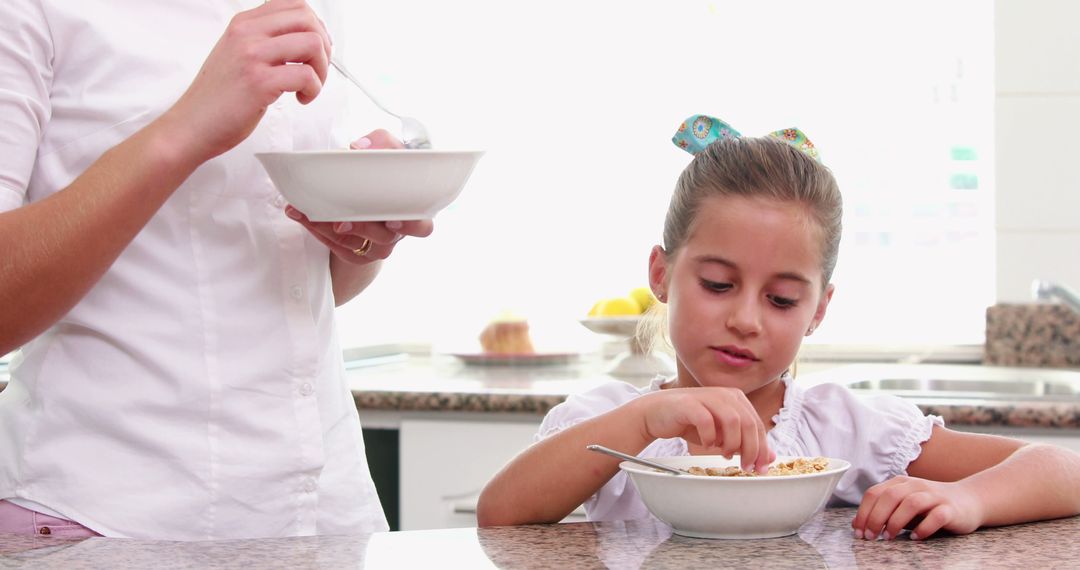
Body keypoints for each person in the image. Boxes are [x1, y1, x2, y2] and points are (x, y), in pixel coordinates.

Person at [477, 115, 1080, 540]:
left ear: (819, 310)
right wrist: (644, 419)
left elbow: (1063, 469)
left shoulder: (842, 427)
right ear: (661, 273)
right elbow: (499, 516)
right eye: (717, 285)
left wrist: (966, 497)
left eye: (783, 299)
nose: (744, 320)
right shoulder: (607, 421)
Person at [0, 0, 431, 539]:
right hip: (109, 517)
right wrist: (186, 127)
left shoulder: (318, 10)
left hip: (324, 513)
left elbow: (300, 281)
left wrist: (361, 237)